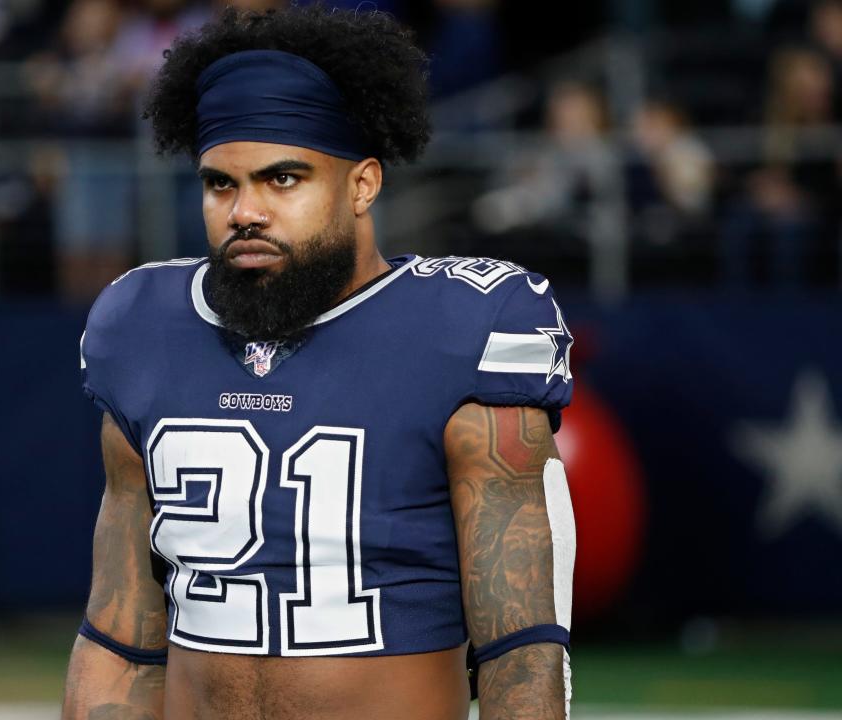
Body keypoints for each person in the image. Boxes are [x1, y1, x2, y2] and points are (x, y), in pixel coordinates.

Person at [63, 6, 576, 720]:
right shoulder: (141, 326)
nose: (246, 210)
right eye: (221, 184)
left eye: (283, 179)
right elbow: (120, 640)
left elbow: (520, 650)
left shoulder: (464, 329)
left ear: (363, 185)